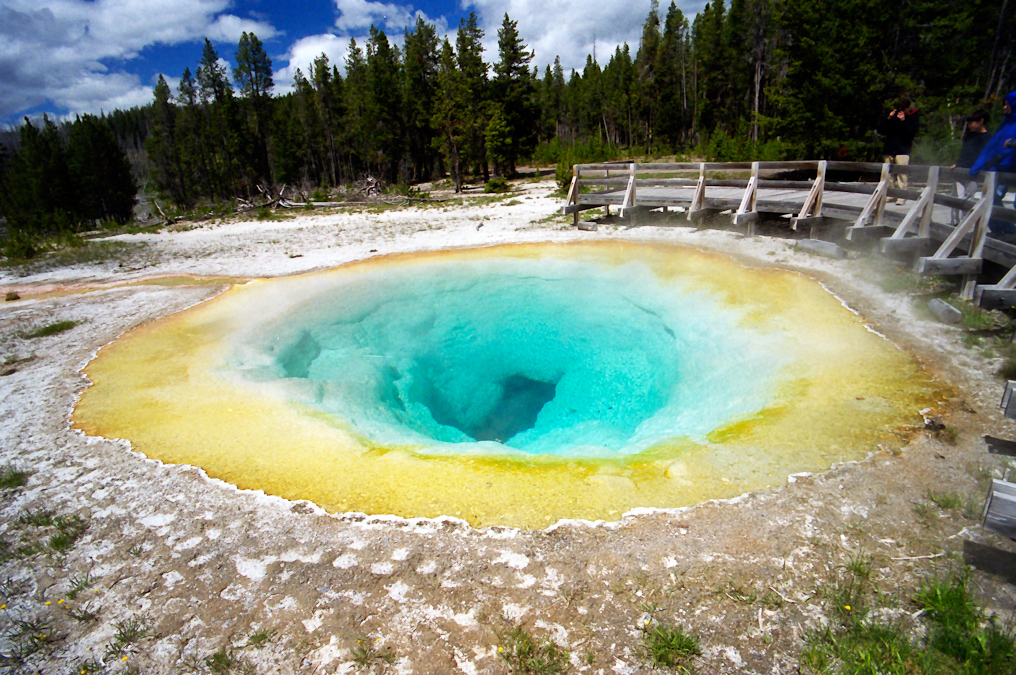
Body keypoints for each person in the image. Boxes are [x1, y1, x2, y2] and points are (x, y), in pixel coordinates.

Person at [877, 96, 920, 203]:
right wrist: (888, 118)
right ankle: (890, 194)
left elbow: (910, 133)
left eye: (903, 108)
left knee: (902, 174)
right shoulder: (893, 117)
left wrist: (903, 121)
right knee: (889, 174)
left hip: (902, 150)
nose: (901, 110)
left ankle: (902, 196)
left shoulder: (912, 118)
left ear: (908, 108)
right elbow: (881, 130)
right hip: (890, 148)